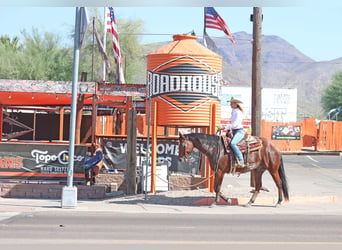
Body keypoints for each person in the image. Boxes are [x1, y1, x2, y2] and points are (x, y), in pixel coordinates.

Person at [224, 96, 246, 168]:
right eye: (230, 103)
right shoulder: (234, 111)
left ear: (236, 104)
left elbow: (235, 124)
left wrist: (225, 127)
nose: (230, 104)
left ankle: (241, 160)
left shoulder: (238, 112)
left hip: (239, 131)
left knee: (233, 143)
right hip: (234, 130)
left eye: (232, 103)